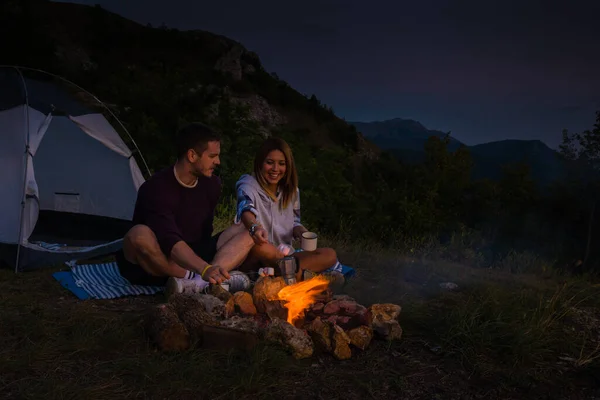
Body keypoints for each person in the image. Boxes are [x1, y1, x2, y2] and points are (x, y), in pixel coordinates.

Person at [116, 122, 260, 295]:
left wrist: (207, 266)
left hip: (194, 255)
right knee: (138, 234)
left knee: (248, 230)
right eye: (212, 156)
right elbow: (169, 241)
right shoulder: (156, 188)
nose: (218, 162)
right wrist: (203, 268)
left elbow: (206, 231)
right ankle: (194, 277)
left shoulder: (212, 184)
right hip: (157, 261)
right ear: (192, 155)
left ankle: (202, 282)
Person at [234, 137, 342, 282]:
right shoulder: (247, 185)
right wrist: (255, 228)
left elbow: (295, 222)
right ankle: (299, 276)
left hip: (284, 257)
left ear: (288, 166)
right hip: (256, 257)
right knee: (261, 248)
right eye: (269, 163)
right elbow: (245, 209)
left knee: (329, 254)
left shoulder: (291, 192)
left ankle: (288, 274)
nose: (275, 169)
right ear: (260, 163)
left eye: (281, 164)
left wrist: (302, 233)